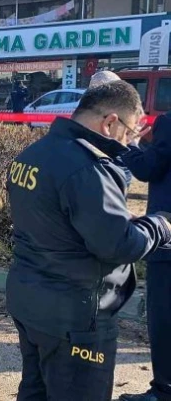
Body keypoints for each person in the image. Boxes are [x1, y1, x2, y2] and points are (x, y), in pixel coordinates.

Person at [6, 80, 171, 401]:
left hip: (29, 301)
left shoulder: (34, 153)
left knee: (35, 391)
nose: (128, 144)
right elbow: (121, 246)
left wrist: (114, 220)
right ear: (110, 123)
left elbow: (58, 219)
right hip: (77, 316)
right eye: (129, 133)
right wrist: (161, 224)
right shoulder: (89, 169)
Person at [118, 111, 171, 401]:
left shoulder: (168, 122)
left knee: (164, 317)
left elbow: (147, 168)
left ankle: (163, 391)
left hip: (168, 238)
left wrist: (130, 142)